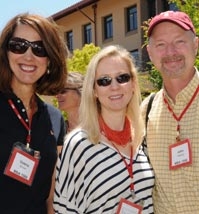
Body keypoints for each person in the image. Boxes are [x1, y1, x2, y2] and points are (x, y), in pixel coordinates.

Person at [54, 45, 154, 213]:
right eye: (104, 81)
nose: (114, 86)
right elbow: (64, 210)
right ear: (94, 90)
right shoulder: (78, 144)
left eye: (122, 78)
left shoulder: (143, 137)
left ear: (133, 84)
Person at [0, 13, 68, 214]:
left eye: (39, 49)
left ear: (49, 60)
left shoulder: (55, 119)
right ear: (6, 52)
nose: (29, 56)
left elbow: (51, 191)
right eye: (19, 45)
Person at [141, 10, 199, 213]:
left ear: (196, 45)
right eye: (160, 45)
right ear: (150, 52)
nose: (170, 52)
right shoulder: (145, 111)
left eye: (179, 42)